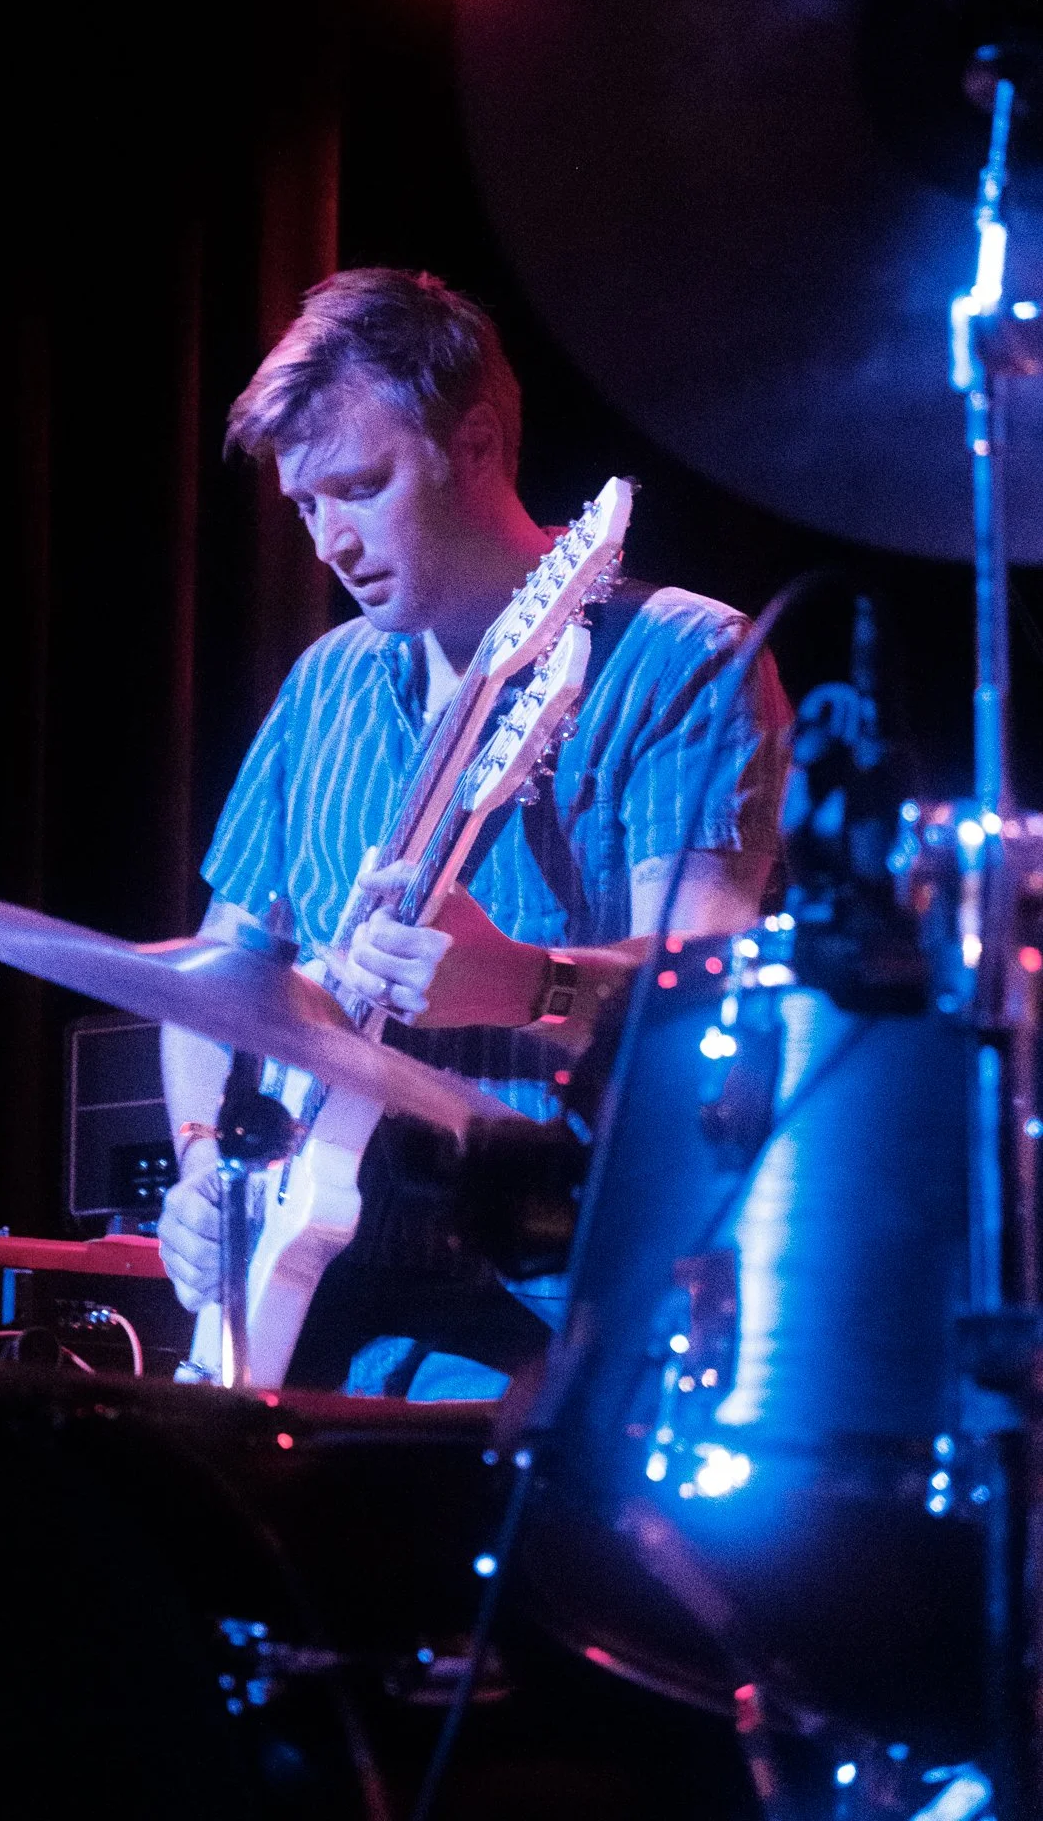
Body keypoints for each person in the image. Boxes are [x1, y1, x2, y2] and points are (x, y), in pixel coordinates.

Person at [157, 269, 791, 1397]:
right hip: (325, 1301)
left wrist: (527, 983)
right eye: (304, 506)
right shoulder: (325, 683)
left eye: (360, 487)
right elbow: (219, 976)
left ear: (478, 442)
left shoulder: (683, 658)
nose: (329, 543)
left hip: (562, 1298)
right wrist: (207, 1162)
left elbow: (715, 1001)